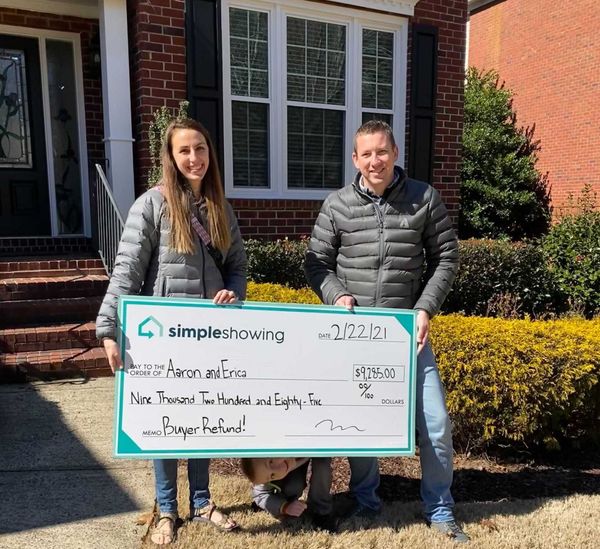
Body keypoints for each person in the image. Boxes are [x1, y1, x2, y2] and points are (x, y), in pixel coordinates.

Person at [304, 120, 468, 543]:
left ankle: (440, 507)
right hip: (355, 338)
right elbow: (316, 263)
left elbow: (446, 258)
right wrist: (337, 295)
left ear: (395, 153)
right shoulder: (337, 205)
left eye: (382, 152)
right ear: (355, 159)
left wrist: (424, 308)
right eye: (366, 154)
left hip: (406, 335)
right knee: (360, 425)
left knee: (435, 424)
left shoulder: (423, 198)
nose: (375, 161)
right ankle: (366, 500)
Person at [96, 118, 247, 545]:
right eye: (185, 150)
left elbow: (237, 266)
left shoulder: (220, 208)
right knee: (165, 423)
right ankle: (166, 509)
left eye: (200, 148)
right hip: (162, 337)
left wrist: (233, 294)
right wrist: (108, 329)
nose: (194, 158)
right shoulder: (151, 205)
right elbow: (126, 271)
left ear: (209, 152)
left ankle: (202, 502)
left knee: (202, 419)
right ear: (171, 156)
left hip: (211, 335)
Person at [241, 457, 337, 532]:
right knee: (293, 486)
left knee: (322, 464)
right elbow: (260, 494)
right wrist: (284, 506)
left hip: (307, 444)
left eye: (271, 462)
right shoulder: (263, 468)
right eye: (272, 475)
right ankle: (285, 497)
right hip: (293, 466)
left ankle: (320, 509)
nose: (279, 469)